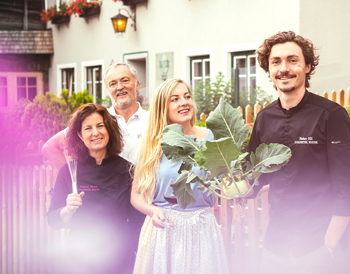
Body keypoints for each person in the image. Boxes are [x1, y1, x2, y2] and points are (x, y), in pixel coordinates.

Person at [247, 31, 350, 274]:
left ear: (307, 66)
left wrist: (329, 245)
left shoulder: (331, 115)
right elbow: (255, 177)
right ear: (269, 69)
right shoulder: (263, 118)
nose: (284, 68)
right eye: (276, 62)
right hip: (276, 245)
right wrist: (229, 183)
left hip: (318, 246)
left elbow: (346, 187)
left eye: (292, 60)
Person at [130, 78, 229, 274]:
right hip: (164, 230)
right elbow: (136, 195)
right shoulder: (153, 146)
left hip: (202, 229)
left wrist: (236, 182)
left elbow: (225, 182)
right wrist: (152, 211)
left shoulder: (212, 138)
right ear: (162, 108)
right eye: (174, 99)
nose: (184, 102)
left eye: (187, 96)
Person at [47, 103, 140, 274]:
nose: (95, 132)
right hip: (79, 259)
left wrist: (139, 257)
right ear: (80, 135)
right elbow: (52, 221)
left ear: (109, 130)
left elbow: (137, 223)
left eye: (100, 126)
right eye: (88, 128)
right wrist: (67, 210)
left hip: (119, 259)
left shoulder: (128, 170)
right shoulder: (68, 171)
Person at [41, 62, 149, 168]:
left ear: (137, 85)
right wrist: (75, 179)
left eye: (125, 80)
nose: (119, 87)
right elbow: (50, 148)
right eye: (113, 84)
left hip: (143, 186)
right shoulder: (99, 119)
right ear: (108, 90)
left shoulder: (153, 120)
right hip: (108, 186)